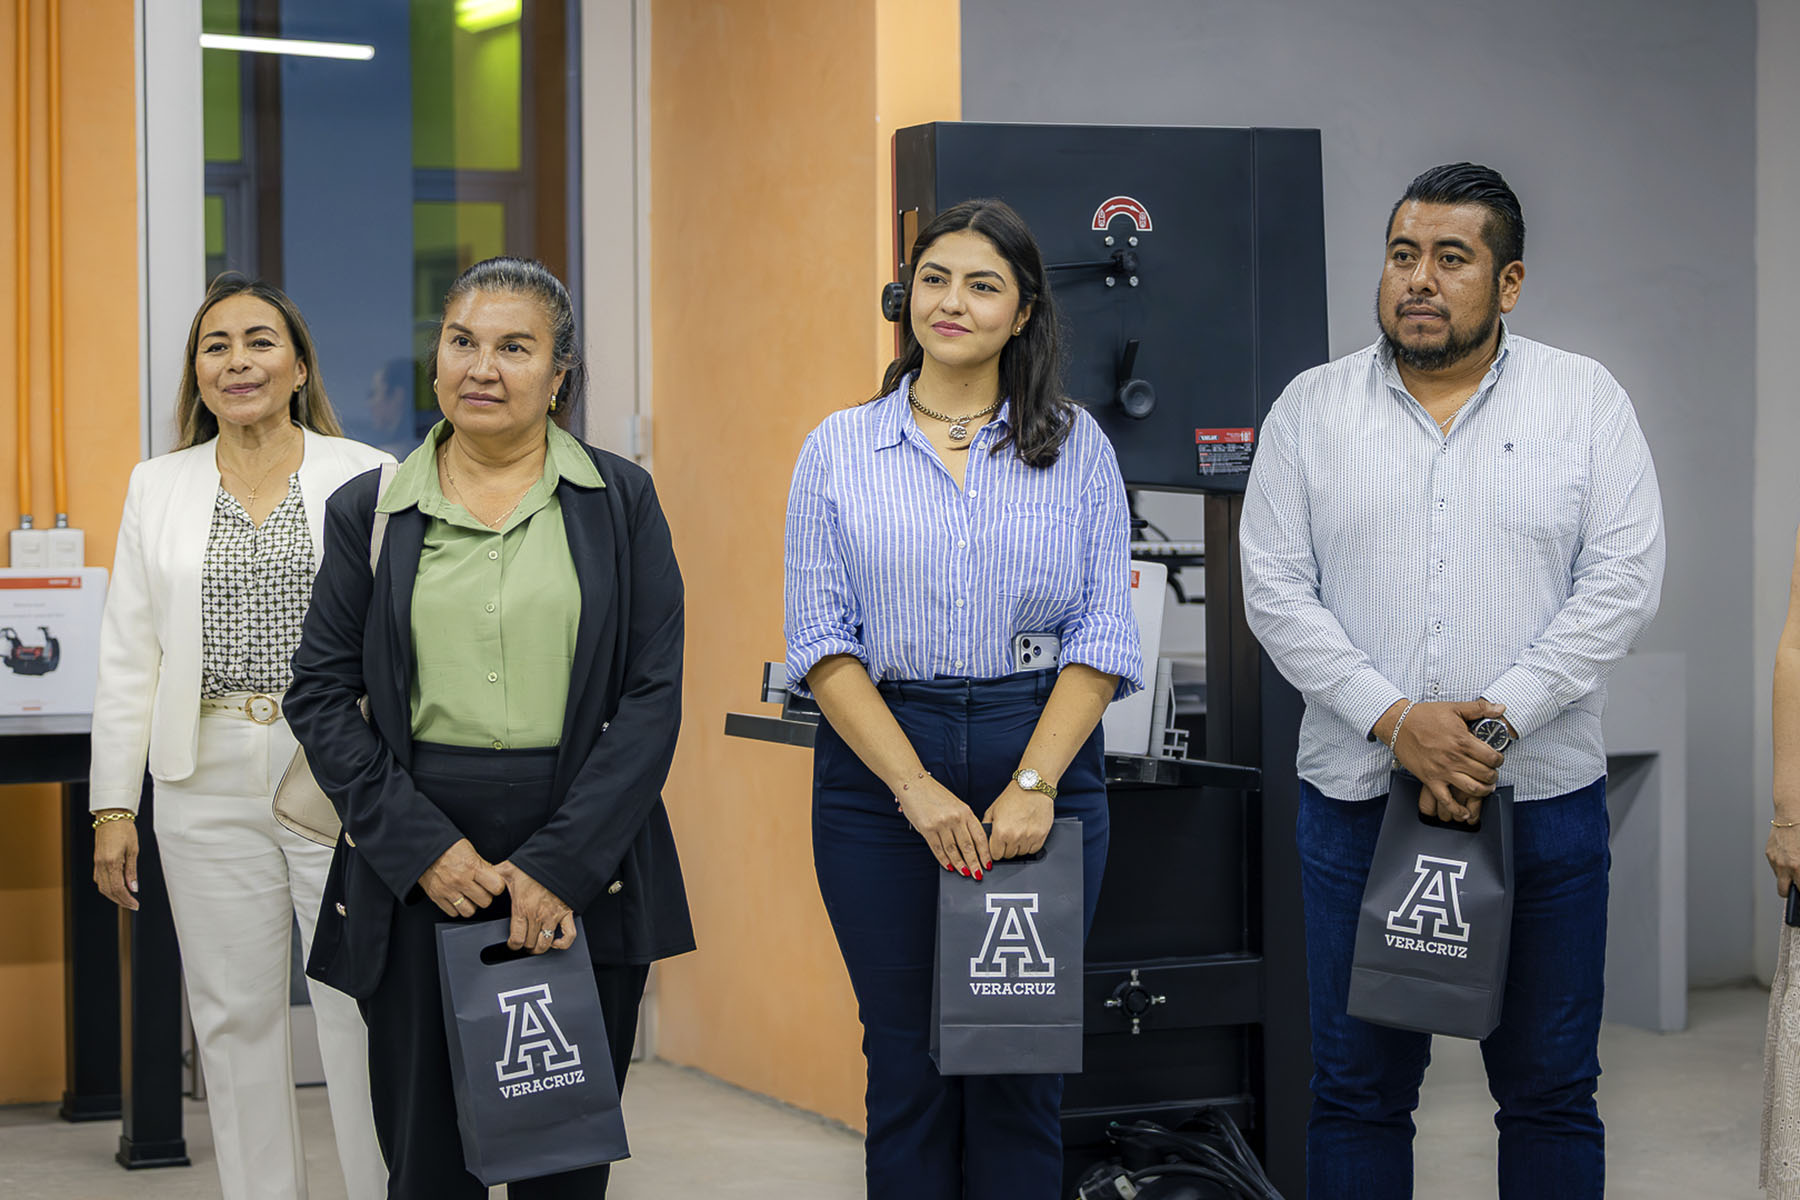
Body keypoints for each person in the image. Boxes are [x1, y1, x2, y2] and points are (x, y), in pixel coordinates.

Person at [1239, 162, 1665, 1197]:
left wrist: (1489, 729)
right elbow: (1275, 591)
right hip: (1355, 806)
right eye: (1401, 255)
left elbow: (1622, 582)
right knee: (1356, 1092)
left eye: (1450, 258)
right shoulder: (1312, 410)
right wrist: (1398, 721)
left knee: (1552, 1088)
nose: (1418, 279)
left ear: (1508, 284)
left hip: (1542, 804)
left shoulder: (1585, 401)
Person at [285, 256, 690, 1199]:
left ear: (560, 376)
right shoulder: (372, 511)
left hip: (583, 843)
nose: (483, 367)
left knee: (562, 1157)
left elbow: (649, 697)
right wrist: (421, 847)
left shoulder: (621, 503)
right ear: (437, 361)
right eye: (463, 342)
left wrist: (560, 865)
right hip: (421, 847)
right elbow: (320, 693)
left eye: (515, 347)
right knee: (427, 1162)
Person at [783, 197, 1144, 1198]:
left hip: (1042, 757)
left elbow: (1103, 637)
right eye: (935, 278)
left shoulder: (1077, 450)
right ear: (908, 296)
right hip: (881, 771)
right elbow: (821, 644)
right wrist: (914, 788)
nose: (953, 302)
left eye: (984, 284)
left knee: (1018, 1069)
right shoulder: (840, 449)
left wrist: (1034, 781)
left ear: (1023, 312)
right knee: (907, 1065)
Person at [88, 274, 389, 1200]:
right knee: (232, 1017)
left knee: (358, 1007)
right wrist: (112, 803)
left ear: (297, 365)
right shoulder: (159, 484)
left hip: (331, 768)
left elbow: (397, 638)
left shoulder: (366, 474)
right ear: (197, 374)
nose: (237, 361)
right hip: (201, 772)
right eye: (215, 346)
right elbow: (129, 652)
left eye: (260, 342)